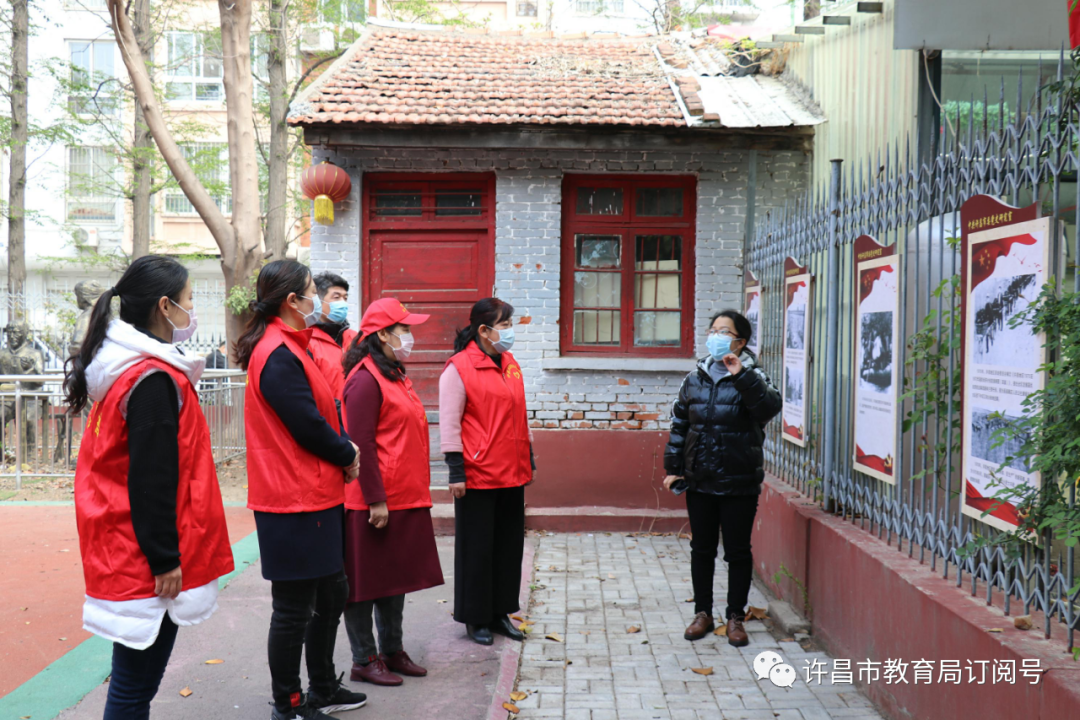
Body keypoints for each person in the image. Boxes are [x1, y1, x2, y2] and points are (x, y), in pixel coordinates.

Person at [64, 255, 234, 720]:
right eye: (188, 301)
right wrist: (164, 558)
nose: (191, 311)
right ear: (164, 306)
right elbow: (152, 477)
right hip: (144, 554)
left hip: (124, 543)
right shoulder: (152, 380)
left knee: (131, 683)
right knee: (133, 689)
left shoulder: (129, 372)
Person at [235, 259, 367, 720]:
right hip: (291, 499)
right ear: (293, 301)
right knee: (294, 608)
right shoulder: (277, 353)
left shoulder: (295, 344)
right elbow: (305, 424)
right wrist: (347, 453)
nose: (320, 300)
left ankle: (323, 687)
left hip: (315, 493)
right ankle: (288, 703)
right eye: (314, 292)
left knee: (331, 594)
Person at [340, 297, 444, 686]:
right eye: (405, 330)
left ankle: (392, 650)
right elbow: (360, 444)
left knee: (394, 579)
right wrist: (375, 499)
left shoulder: (394, 372)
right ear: (382, 334)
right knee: (364, 584)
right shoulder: (365, 379)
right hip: (375, 498)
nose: (411, 337)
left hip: (404, 493)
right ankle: (364, 659)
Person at [663, 309, 782, 648]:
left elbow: (767, 408)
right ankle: (703, 613)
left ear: (740, 341)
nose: (716, 336)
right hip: (699, 478)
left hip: (738, 479)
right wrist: (674, 468)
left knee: (737, 552)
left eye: (724, 331)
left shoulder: (754, 376)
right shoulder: (695, 377)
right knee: (701, 549)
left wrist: (740, 374)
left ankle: (735, 616)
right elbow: (679, 425)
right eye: (713, 330)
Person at [439, 298, 534, 646]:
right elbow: (449, 423)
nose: (509, 332)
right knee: (477, 549)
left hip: (513, 470)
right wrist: (455, 471)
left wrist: (530, 458)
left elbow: (519, 415)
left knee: (508, 548)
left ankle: (500, 613)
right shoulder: (459, 367)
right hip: (477, 473)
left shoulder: (510, 364)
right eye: (505, 325)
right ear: (484, 330)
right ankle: (475, 618)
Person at [309, 272, 357, 398]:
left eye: (345, 298)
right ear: (318, 301)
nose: (343, 303)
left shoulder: (356, 339)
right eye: (336, 297)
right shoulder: (306, 341)